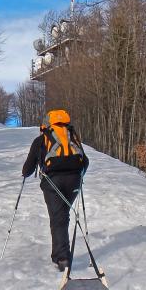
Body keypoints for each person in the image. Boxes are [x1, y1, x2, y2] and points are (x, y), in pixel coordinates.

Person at [22, 109, 88, 271]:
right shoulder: (72, 137)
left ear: (47, 123)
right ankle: (62, 253)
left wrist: (25, 173)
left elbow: (27, 169)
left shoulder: (41, 140)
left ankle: (62, 258)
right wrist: (78, 175)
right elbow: (85, 161)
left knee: (58, 218)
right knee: (62, 215)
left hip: (52, 182)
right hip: (74, 181)